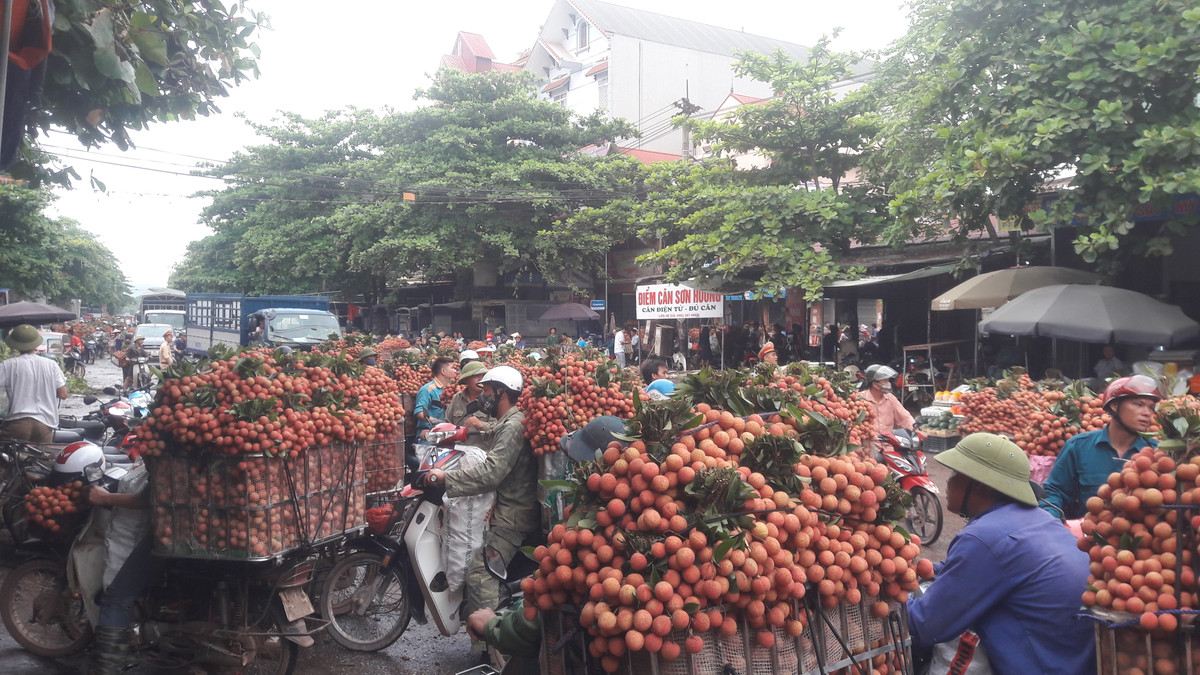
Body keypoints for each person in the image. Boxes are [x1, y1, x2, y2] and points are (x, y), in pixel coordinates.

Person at [907, 433, 1094, 675]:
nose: (948, 483)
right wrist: (935, 568)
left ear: (978, 485)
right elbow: (996, 566)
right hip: (1073, 661)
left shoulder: (983, 537)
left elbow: (926, 624)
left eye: (955, 475)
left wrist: (883, 600)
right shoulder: (1040, 519)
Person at [424, 366, 539, 642]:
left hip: (513, 517)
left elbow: (492, 473)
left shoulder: (512, 426)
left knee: (479, 575)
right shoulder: (505, 422)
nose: (482, 396)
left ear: (501, 392)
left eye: (487, 391)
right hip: (503, 508)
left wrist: (446, 478)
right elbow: (486, 437)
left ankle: (489, 649)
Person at [1041, 375, 1159, 520]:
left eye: (1151, 408)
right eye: (1138, 404)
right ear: (1115, 406)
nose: (1147, 413)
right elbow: (1055, 491)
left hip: (1140, 536)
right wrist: (1050, 519)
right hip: (1089, 535)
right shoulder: (1078, 446)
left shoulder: (1157, 453)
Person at [86, 454, 154, 675]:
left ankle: (107, 669)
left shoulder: (166, 455)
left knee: (115, 600)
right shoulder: (150, 458)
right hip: (139, 537)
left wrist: (106, 499)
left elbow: (146, 499)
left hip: (142, 538)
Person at [0, 325, 69, 443]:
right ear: (36, 344)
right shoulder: (51, 365)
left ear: (14, 345)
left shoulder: (7, 365)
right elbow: (63, 394)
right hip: (45, 425)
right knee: (41, 460)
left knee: (10, 459)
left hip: (16, 424)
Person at [858, 365, 914, 439]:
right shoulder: (860, 399)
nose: (888, 383)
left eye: (888, 380)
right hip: (869, 445)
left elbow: (904, 417)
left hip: (889, 445)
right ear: (875, 384)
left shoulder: (890, 398)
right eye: (885, 381)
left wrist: (916, 430)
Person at [414, 357, 456, 439]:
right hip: (429, 435)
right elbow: (419, 411)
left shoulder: (451, 389)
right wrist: (434, 421)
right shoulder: (427, 390)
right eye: (452, 368)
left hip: (447, 433)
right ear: (443, 371)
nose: (455, 371)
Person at [446, 361, 489, 428]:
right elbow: (447, 422)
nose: (480, 380)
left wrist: (481, 424)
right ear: (466, 380)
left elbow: (499, 427)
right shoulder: (457, 398)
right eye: (476, 376)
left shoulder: (491, 398)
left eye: (483, 376)